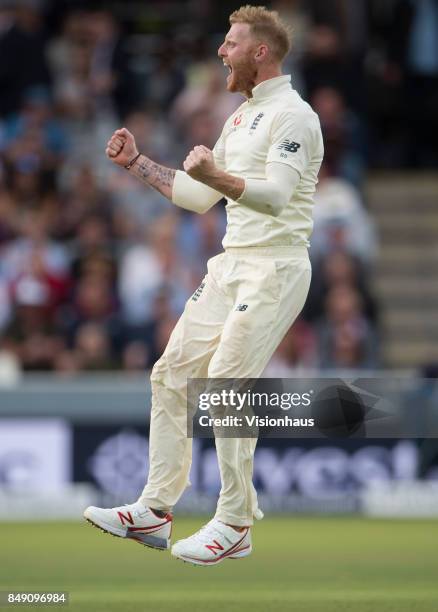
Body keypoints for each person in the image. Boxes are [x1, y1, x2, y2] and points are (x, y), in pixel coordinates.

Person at [84, 5, 324, 566]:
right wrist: (138, 163)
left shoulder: (295, 114)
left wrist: (213, 174)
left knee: (223, 381)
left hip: (276, 265)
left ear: (259, 52)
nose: (221, 52)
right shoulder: (239, 118)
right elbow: (198, 198)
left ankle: (236, 522)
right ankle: (155, 510)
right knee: (170, 374)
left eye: (230, 43)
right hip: (231, 263)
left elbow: (275, 197)